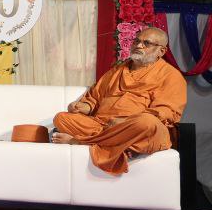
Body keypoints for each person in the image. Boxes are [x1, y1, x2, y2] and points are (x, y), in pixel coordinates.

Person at [52, 27, 186, 175]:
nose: (138, 45)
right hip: (104, 126)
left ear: (161, 51)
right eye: (136, 41)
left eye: (146, 43)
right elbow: (95, 98)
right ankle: (116, 144)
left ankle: (80, 142)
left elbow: (166, 112)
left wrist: (125, 122)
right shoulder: (117, 70)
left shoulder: (171, 76)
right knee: (61, 118)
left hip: (136, 128)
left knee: (148, 123)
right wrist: (84, 106)